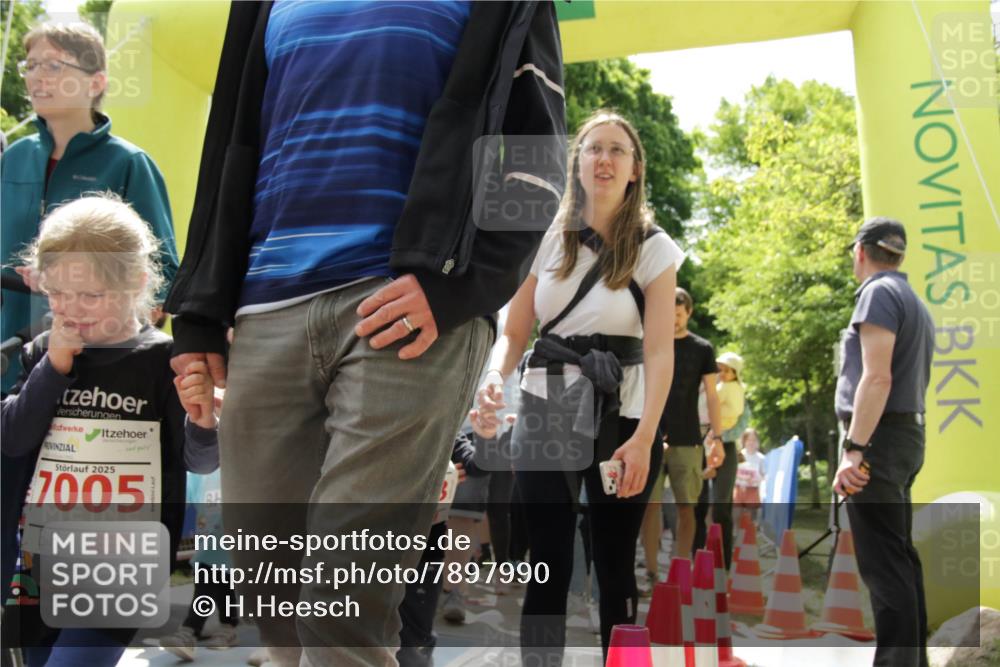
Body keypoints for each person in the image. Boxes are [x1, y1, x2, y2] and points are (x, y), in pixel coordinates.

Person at [163, 4, 565, 665]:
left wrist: (461, 285)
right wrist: (200, 313)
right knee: (274, 593)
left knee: (343, 603)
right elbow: (230, 139)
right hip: (266, 307)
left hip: (407, 313)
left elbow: (535, 151)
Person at [478, 110, 683, 662]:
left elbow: (662, 351)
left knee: (614, 562)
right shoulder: (545, 238)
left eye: (617, 150)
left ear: (635, 168)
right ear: (578, 162)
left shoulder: (654, 248)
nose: (604, 159)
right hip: (546, 407)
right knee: (548, 560)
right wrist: (495, 379)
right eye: (594, 148)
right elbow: (514, 330)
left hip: (624, 414)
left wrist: (645, 438)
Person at [0, 195, 218, 666]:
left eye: (90, 295)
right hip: (41, 557)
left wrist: (204, 421)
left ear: (135, 283)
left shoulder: (164, 359)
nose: (71, 309)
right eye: (56, 294)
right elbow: (14, 438)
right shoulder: (44, 353)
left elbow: (198, 461)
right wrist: (53, 368)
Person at [2, 21, 178, 392]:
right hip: (7, 356)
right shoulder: (14, 157)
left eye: (52, 66)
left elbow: (161, 274)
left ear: (95, 82)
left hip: (86, 375)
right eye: (30, 66)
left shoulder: (129, 162)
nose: (37, 78)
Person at [833, 217, 934, 667]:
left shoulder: (877, 293)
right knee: (900, 558)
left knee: (884, 565)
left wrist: (854, 448)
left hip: (878, 439)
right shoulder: (912, 298)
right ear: (900, 254)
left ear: (860, 251)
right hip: (904, 435)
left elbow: (876, 377)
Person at [661, 288, 724, 561]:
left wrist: (717, 438)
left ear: (689, 313)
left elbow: (712, 396)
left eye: (678, 314)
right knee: (647, 507)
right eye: (668, 314)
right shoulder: (651, 343)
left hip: (687, 437)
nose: (673, 320)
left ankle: (680, 565)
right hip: (651, 435)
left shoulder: (702, 348)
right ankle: (651, 569)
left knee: (687, 506)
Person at [157, 468, 240, 662]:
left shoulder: (237, 459)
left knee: (208, 575)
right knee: (221, 580)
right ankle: (228, 627)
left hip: (231, 533)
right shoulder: (199, 471)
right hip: (208, 535)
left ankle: (189, 631)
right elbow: (184, 496)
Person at [734, 428, 766, 517]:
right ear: (744, 441)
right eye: (748, 440)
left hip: (753, 490)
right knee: (736, 514)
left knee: (750, 517)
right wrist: (742, 478)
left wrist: (756, 479)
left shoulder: (761, 458)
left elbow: (764, 475)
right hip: (739, 489)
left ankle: (752, 528)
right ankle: (736, 530)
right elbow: (734, 472)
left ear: (758, 442)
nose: (751, 443)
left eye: (754, 440)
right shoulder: (739, 455)